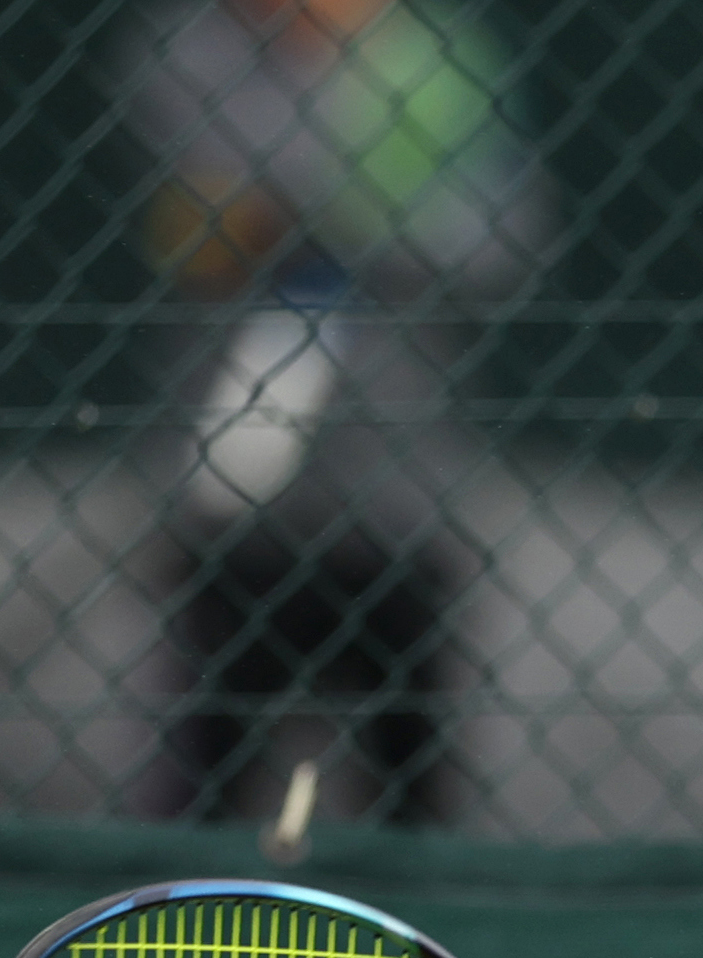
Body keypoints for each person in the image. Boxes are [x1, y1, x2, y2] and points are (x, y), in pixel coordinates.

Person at [121, 0, 550, 829]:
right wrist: (356, 177)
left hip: (394, 491)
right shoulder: (194, 51)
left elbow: (505, 241)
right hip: (241, 494)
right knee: (207, 770)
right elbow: (219, 197)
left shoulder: (433, 68)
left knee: (411, 776)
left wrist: (340, 211)